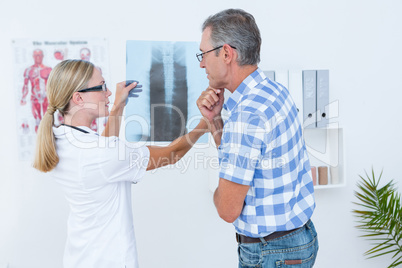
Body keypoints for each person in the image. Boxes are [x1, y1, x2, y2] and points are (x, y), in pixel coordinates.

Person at [33, 59, 208, 268]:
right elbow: (172, 154)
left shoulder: (59, 137)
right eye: (101, 87)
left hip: (80, 257)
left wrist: (118, 105)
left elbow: (104, 151)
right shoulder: (101, 153)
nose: (108, 93)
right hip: (110, 260)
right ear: (78, 97)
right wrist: (206, 122)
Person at [196, 9, 318, 267]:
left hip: (272, 253)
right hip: (299, 239)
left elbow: (227, 210)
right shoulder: (273, 91)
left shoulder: (247, 115)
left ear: (227, 54)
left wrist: (218, 195)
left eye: (204, 54)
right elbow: (247, 158)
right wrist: (214, 120)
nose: (202, 63)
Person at [20, 49, 52, 132]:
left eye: (40, 55)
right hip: (35, 97)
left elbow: (53, 85)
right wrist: (23, 98)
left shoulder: (48, 69)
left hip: (46, 98)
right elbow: (25, 85)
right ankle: (37, 141)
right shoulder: (28, 70)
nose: (38, 57)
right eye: (36, 55)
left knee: (47, 119)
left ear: (43, 56)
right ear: (33, 56)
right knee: (37, 120)